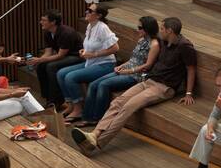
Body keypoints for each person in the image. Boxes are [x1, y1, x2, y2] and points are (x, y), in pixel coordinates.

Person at [72, 17, 198, 156]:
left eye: (162, 29)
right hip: (148, 81)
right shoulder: (163, 41)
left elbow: (190, 69)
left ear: (169, 31)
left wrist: (188, 93)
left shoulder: (185, 46)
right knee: (118, 102)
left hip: (164, 87)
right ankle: (94, 134)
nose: (159, 31)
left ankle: (97, 142)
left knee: (128, 107)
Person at [73, 16, 160, 129]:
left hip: (136, 76)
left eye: (140, 27)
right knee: (94, 84)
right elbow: (133, 59)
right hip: (125, 70)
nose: (137, 30)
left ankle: (98, 118)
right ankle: (87, 117)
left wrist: (128, 71)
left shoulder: (154, 45)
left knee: (103, 85)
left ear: (147, 29)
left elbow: (147, 65)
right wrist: (121, 67)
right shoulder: (141, 40)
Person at [57, 3, 121, 123]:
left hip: (105, 65)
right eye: (87, 10)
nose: (86, 12)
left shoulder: (102, 28)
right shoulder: (90, 26)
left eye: (90, 11)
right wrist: (84, 51)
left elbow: (115, 48)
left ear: (98, 15)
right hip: (91, 63)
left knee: (70, 77)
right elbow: (92, 46)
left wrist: (93, 55)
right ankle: (71, 105)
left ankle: (78, 109)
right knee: (61, 73)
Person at [13, 10, 82, 106]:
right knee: (41, 66)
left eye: (44, 20)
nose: (41, 22)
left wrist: (39, 59)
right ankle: (47, 97)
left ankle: (56, 100)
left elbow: (60, 55)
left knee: (51, 66)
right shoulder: (48, 33)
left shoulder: (66, 33)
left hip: (76, 56)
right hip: (64, 56)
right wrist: (36, 61)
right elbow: (48, 52)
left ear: (53, 22)